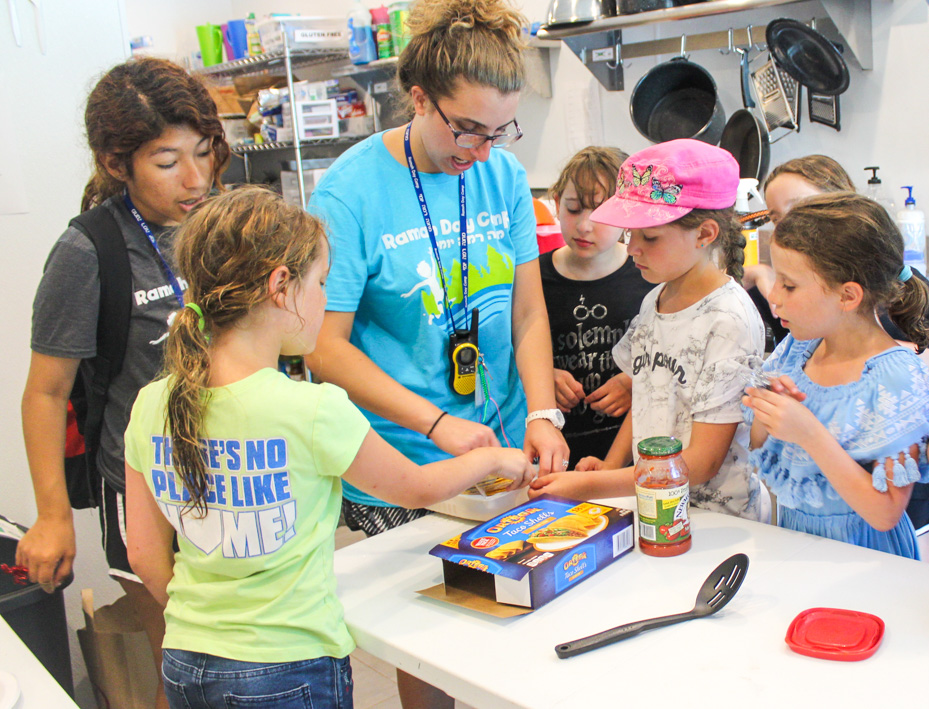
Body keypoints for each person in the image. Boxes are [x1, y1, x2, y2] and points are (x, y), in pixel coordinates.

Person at [122, 187, 532, 708]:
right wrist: (494, 458)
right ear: (280, 286)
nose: (324, 299)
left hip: (186, 661)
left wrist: (210, 629)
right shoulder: (311, 409)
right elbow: (415, 488)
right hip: (287, 666)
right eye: (320, 282)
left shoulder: (150, 403)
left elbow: (143, 553)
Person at [306, 0, 565, 703]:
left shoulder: (503, 178)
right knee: (434, 655)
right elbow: (324, 350)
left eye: (498, 131)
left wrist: (544, 410)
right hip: (403, 461)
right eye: (467, 129)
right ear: (419, 99)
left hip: (502, 448)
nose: (480, 151)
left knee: (517, 626)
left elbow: (528, 309)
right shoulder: (349, 194)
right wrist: (433, 422)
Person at [18, 56, 230, 708]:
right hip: (143, 489)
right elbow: (46, 393)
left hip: (236, 472)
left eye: (203, 153)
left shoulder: (225, 223)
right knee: (189, 657)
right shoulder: (89, 252)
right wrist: (54, 515)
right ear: (118, 163)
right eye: (168, 163)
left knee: (247, 652)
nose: (195, 178)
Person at [530, 139, 766, 520]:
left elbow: (703, 463)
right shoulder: (655, 299)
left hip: (716, 517)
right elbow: (645, 398)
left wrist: (593, 485)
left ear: (705, 234)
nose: (633, 247)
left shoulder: (727, 320)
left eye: (650, 237)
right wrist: (610, 465)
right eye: (630, 233)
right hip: (655, 502)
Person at [742, 192, 929, 558]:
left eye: (788, 284)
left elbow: (884, 513)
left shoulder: (896, 381)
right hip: (798, 549)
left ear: (848, 296)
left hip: (867, 560)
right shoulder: (798, 349)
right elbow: (757, 444)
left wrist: (808, 433)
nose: (774, 295)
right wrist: (769, 409)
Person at [753, 155, 929, 384]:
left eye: (801, 209)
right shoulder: (787, 315)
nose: (788, 226)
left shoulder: (895, 280)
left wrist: (872, 349)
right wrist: (757, 273)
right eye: (777, 218)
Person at [541, 146, 653, 463]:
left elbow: (677, 359)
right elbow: (504, 356)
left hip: (630, 457)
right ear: (557, 202)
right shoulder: (533, 279)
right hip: (555, 454)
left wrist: (637, 382)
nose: (584, 226)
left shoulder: (650, 277)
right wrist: (540, 377)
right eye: (574, 209)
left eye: (602, 213)